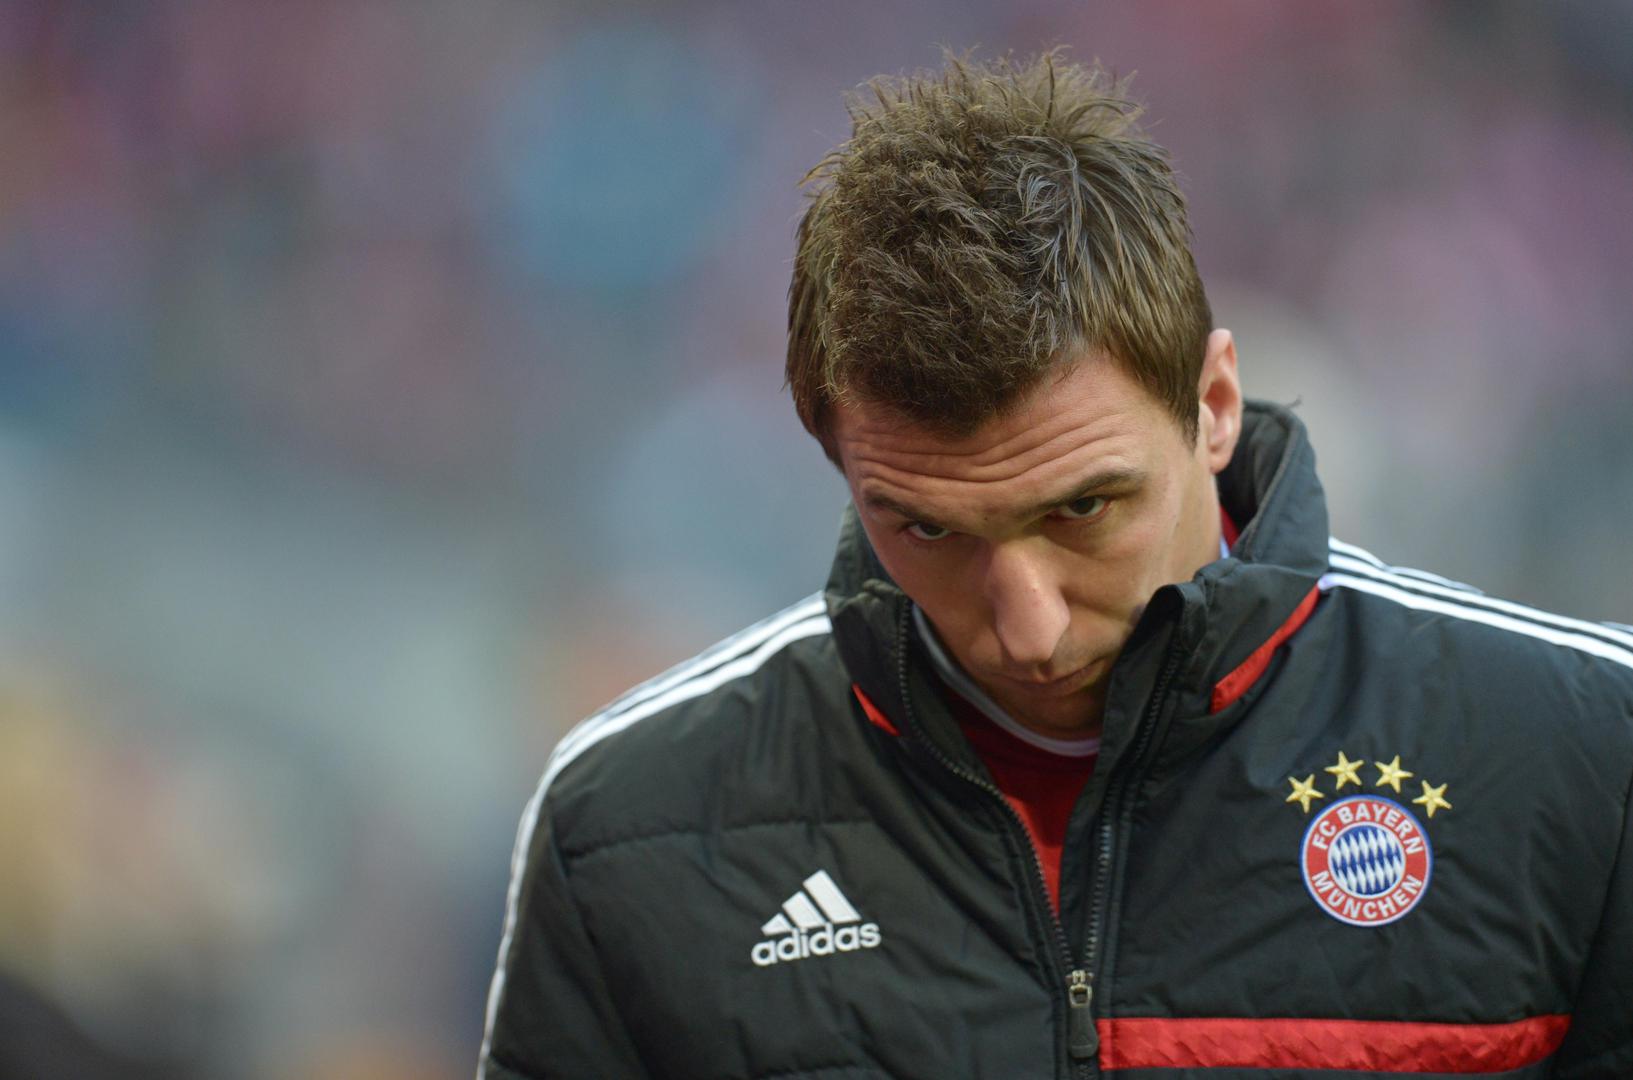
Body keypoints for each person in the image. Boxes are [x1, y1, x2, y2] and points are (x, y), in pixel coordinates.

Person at [477, 51, 1633, 1079]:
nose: (1027, 629)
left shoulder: (1587, 756)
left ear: (1213, 403)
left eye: (1084, 508)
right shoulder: (628, 830)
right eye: (927, 529)